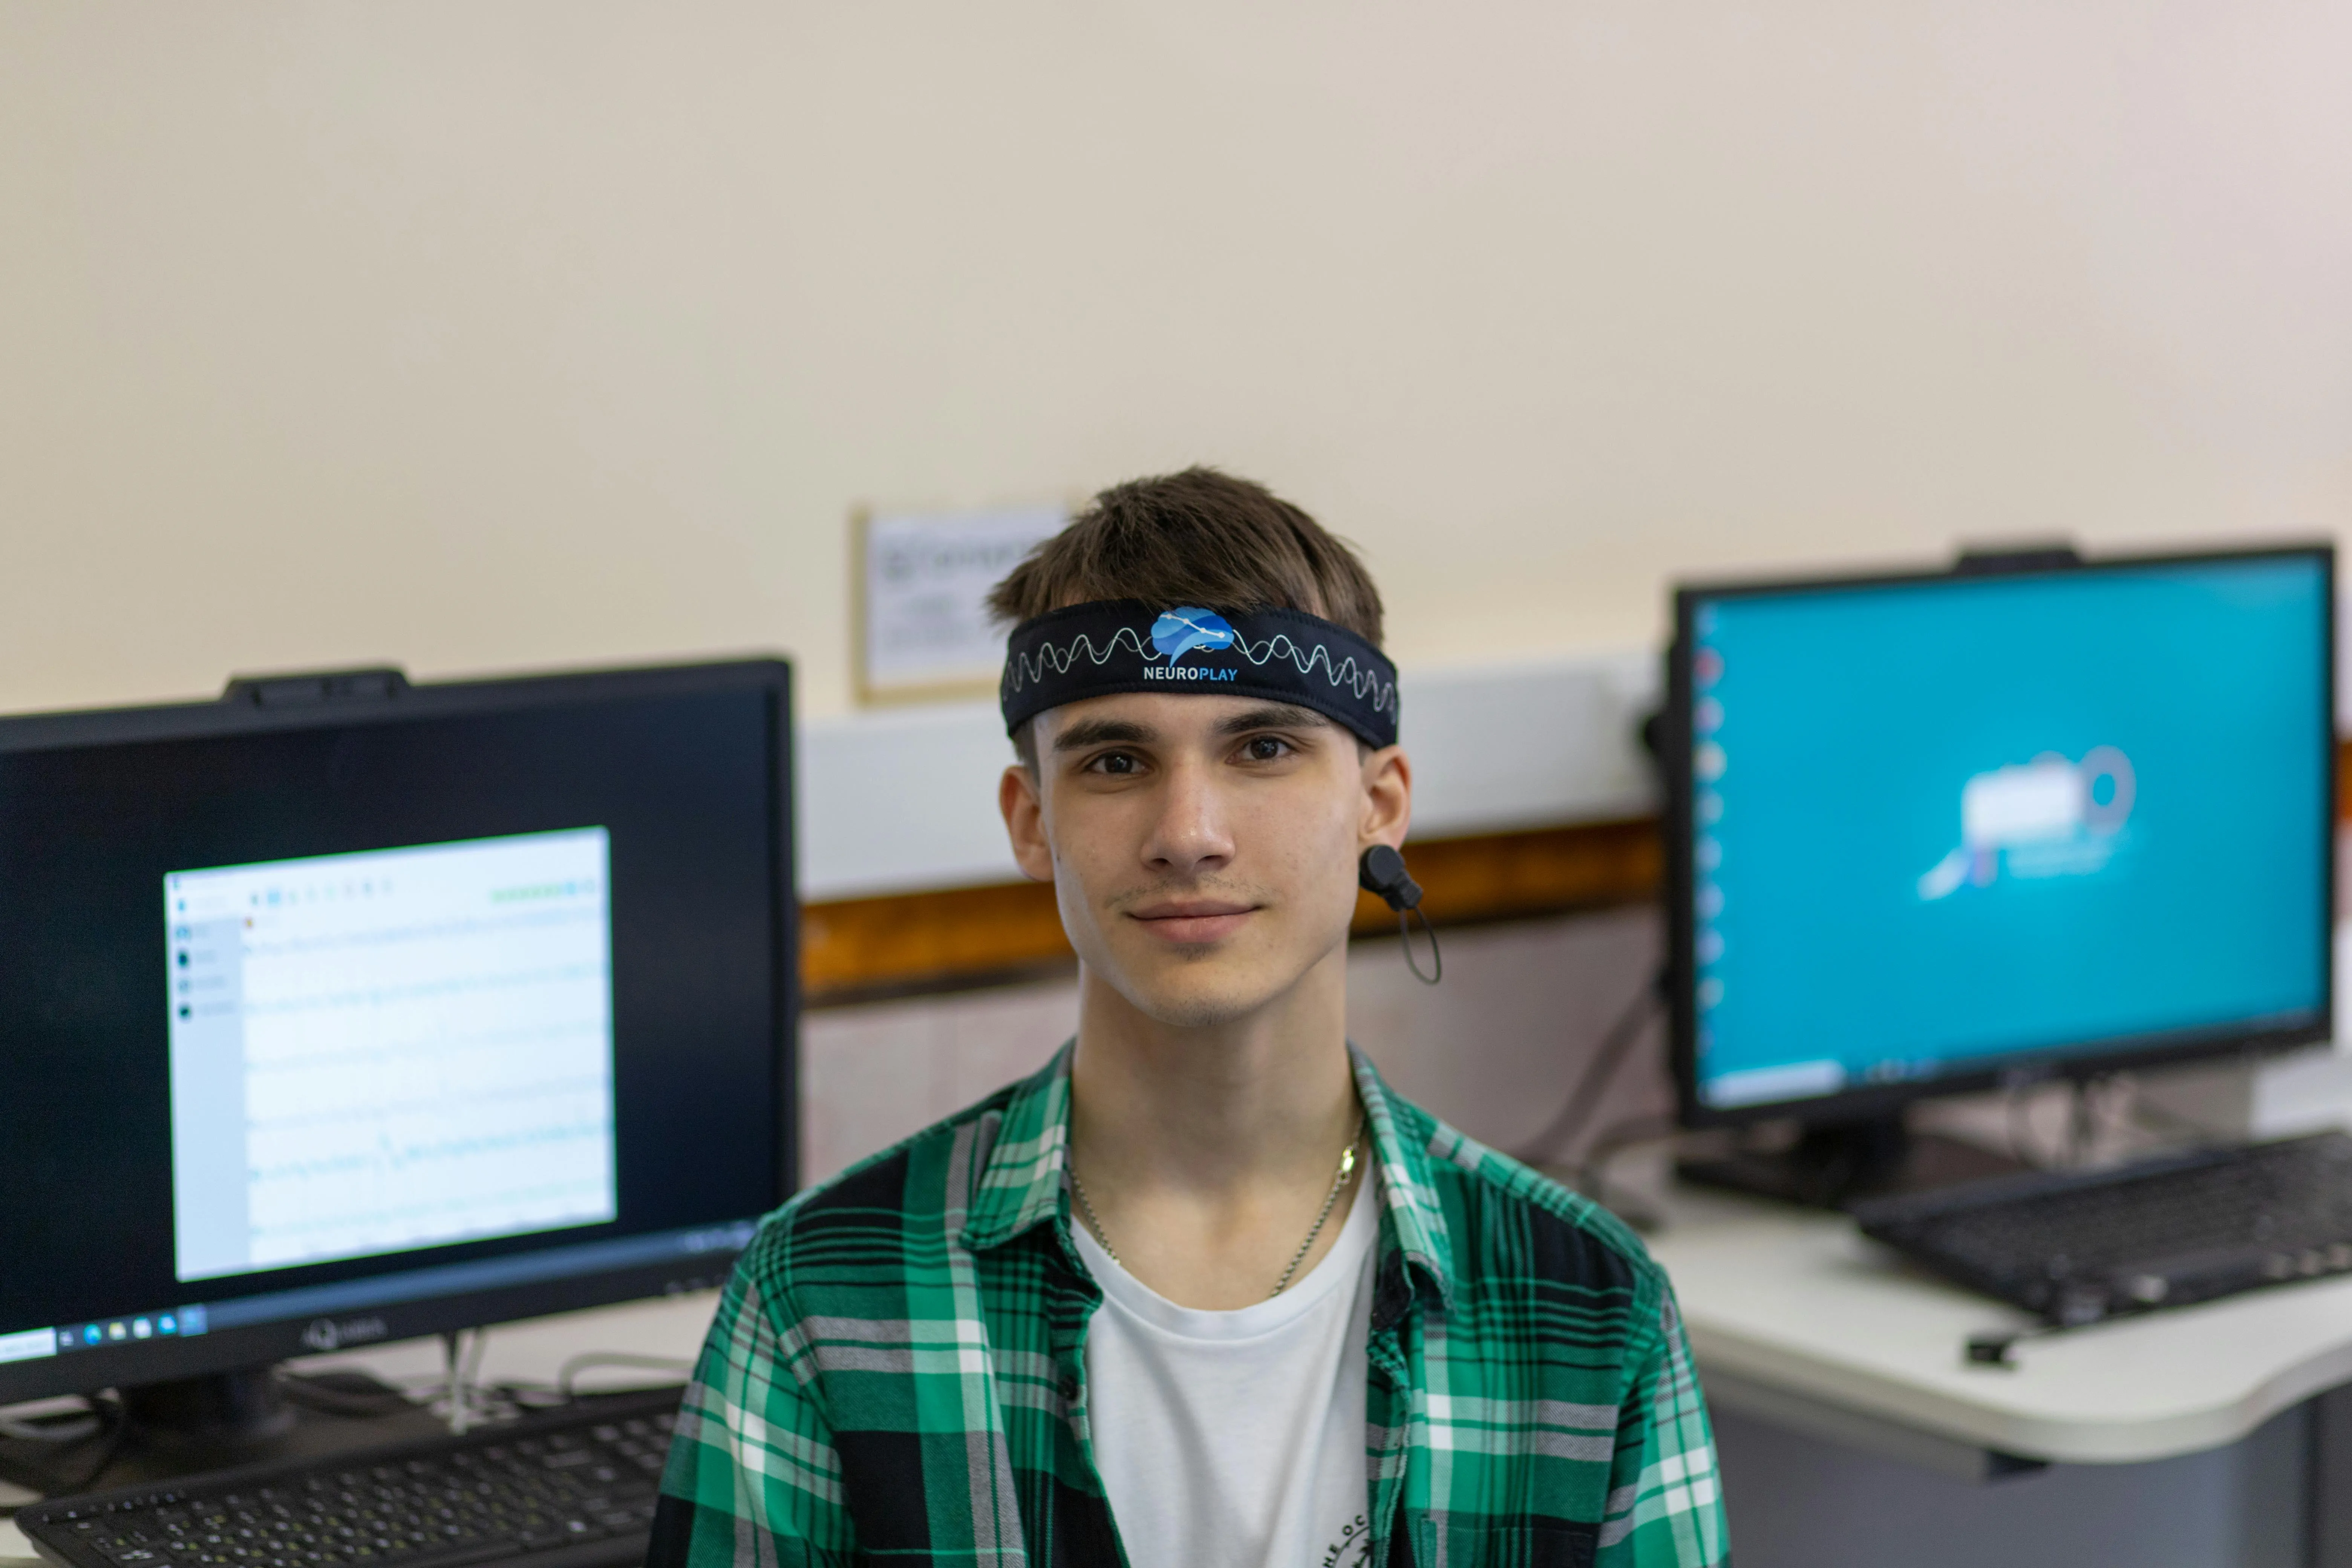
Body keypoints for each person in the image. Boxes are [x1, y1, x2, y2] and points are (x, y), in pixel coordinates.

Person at [650, 469, 1727, 1567]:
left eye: (1263, 749)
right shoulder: (827, 1300)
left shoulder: (1590, 1311)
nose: (1190, 832)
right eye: (1117, 762)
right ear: (1033, 822)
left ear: (1380, 806)